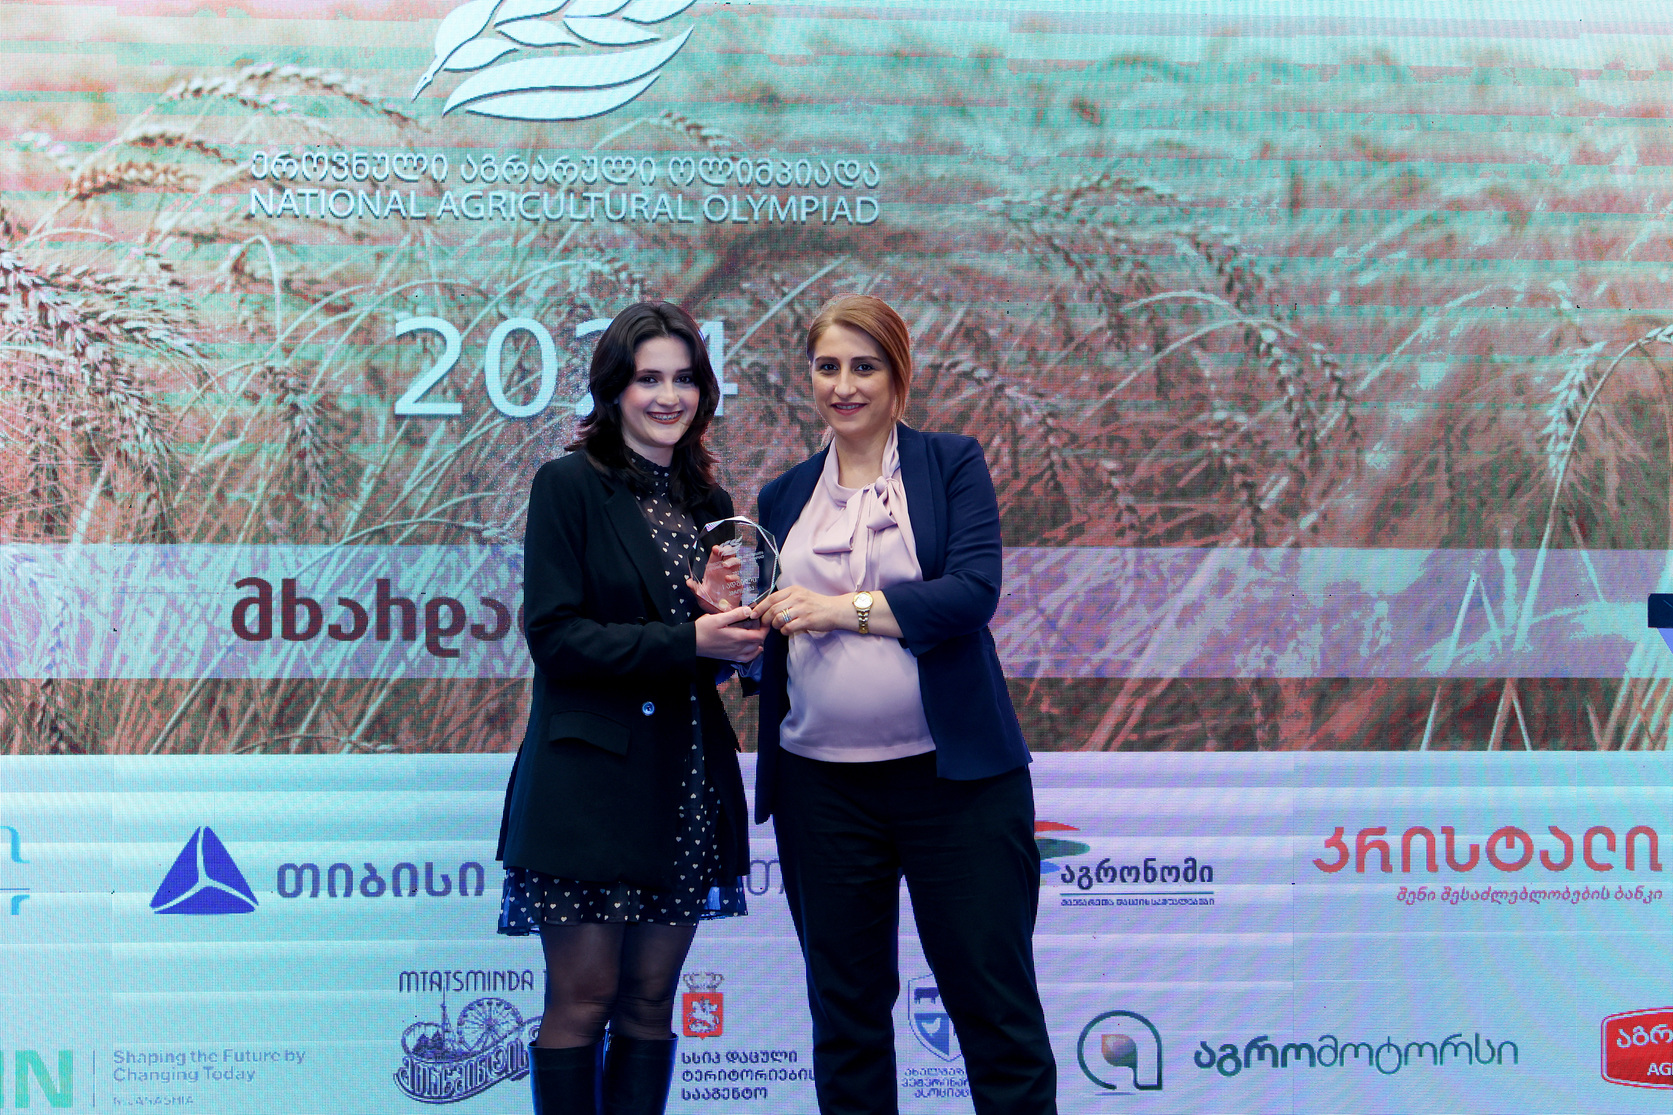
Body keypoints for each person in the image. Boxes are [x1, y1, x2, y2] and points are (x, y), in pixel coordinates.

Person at [749, 294, 1058, 1114]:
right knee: (844, 1020)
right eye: (826, 367)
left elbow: (971, 593)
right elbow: (769, 643)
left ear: (898, 374)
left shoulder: (950, 463)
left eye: (864, 366)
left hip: (955, 784)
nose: (843, 385)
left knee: (995, 1010)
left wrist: (838, 608)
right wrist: (735, 621)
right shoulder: (780, 497)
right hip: (820, 790)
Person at [496, 301, 766, 1115]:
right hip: (588, 787)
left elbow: (701, 657)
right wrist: (690, 639)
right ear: (613, 388)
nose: (667, 396)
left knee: (650, 1003)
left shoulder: (708, 500)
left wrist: (732, 637)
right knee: (582, 998)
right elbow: (555, 638)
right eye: (649, 378)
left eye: (684, 379)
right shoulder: (568, 485)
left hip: (682, 782)